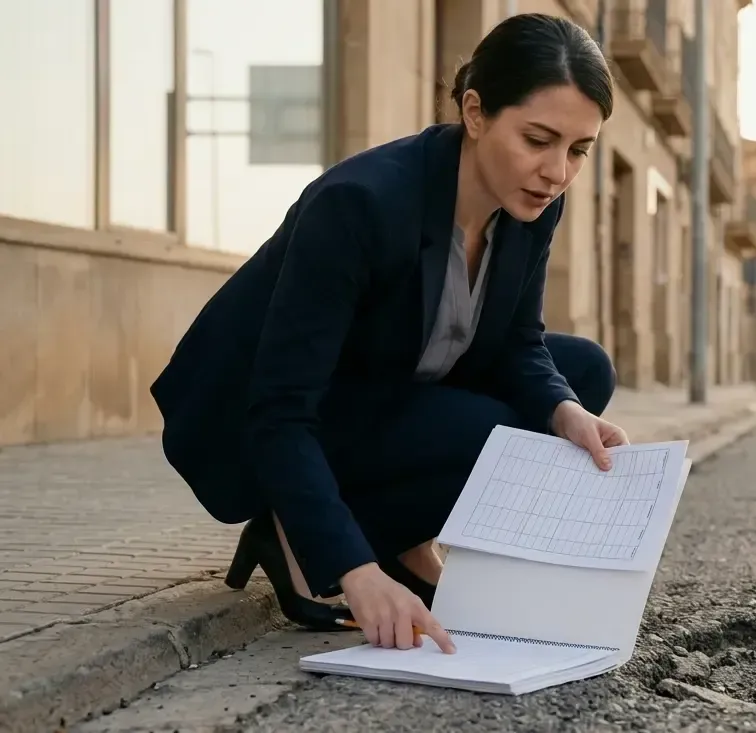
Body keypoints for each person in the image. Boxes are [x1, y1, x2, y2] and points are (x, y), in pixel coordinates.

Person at [149, 13, 628, 655]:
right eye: (538, 139)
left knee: (584, 376)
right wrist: (356, 573)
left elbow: (518, 341)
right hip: (267, 419)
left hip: (389, 389)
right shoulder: (361, 204)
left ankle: (401, 540)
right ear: (476, 111)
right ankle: (298, 541)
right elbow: (279, 409)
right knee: (490, 433)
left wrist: (565, 410)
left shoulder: (532, 203)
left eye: (578, 150)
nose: (557, 171)